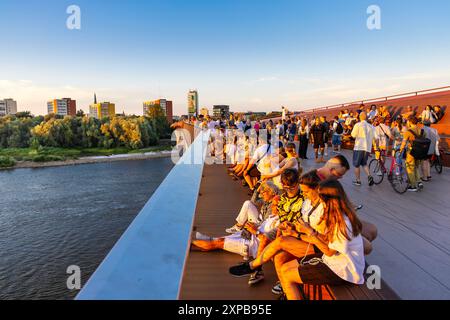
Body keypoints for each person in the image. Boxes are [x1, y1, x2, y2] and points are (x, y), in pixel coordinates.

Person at [277, 179, 365, 300]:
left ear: (327, 200)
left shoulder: (342, 224)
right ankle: (291, 294)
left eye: (320, 197)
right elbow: (325, 240)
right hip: (332, 261)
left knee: (287, 275)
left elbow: (329, 251)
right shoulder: (337, 215)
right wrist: (296, 233)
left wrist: (310, 232)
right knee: (285, 267)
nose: (318, 200)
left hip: (345, 271)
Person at [400, 116, 424, 192]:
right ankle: (419, 181)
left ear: (410, 122)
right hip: (420, 152)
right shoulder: (422, 131)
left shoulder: (408, 132)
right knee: (416, 167)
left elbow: (403, 143)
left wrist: (400, 150)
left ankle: (413, 186)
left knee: (410, 168)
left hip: (411, 152)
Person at [351, 112, 376, 186]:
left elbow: (353, 135)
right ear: (366, 117)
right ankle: (369, 176)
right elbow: (376, 137)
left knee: (356, 165)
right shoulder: (371, 126)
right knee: (364, 163)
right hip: (367, 148)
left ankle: (358, 181)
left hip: (359, 147)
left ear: (359, 117)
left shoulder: (357, 125)